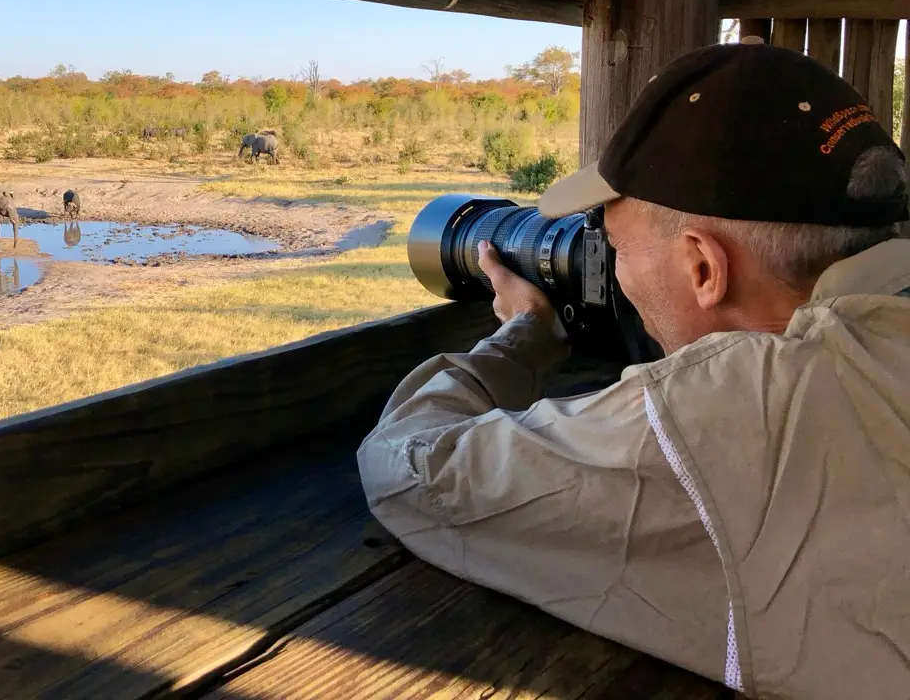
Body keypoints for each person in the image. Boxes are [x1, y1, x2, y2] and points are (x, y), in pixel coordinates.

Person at [357, 43, 910, 700]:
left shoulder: (748, 406)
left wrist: (523, 338)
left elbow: (408, 471)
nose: (612, 271)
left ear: (704, 267)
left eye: (614, 247)